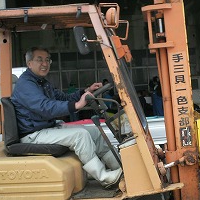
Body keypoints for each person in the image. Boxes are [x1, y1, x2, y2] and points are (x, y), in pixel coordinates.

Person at [11, 47, 122, 188]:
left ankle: (120, 167)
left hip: (45, 128)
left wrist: (85, 91)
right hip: (33, 134)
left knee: (94, 132)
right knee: (80, 135)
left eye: (47, 60)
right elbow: (45, 107)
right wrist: (76, 105)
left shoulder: (41, 83)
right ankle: (105, 178)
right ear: (29, 63)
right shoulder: (26, 85)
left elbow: (62, 97)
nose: (45, 63)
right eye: (39, 60)